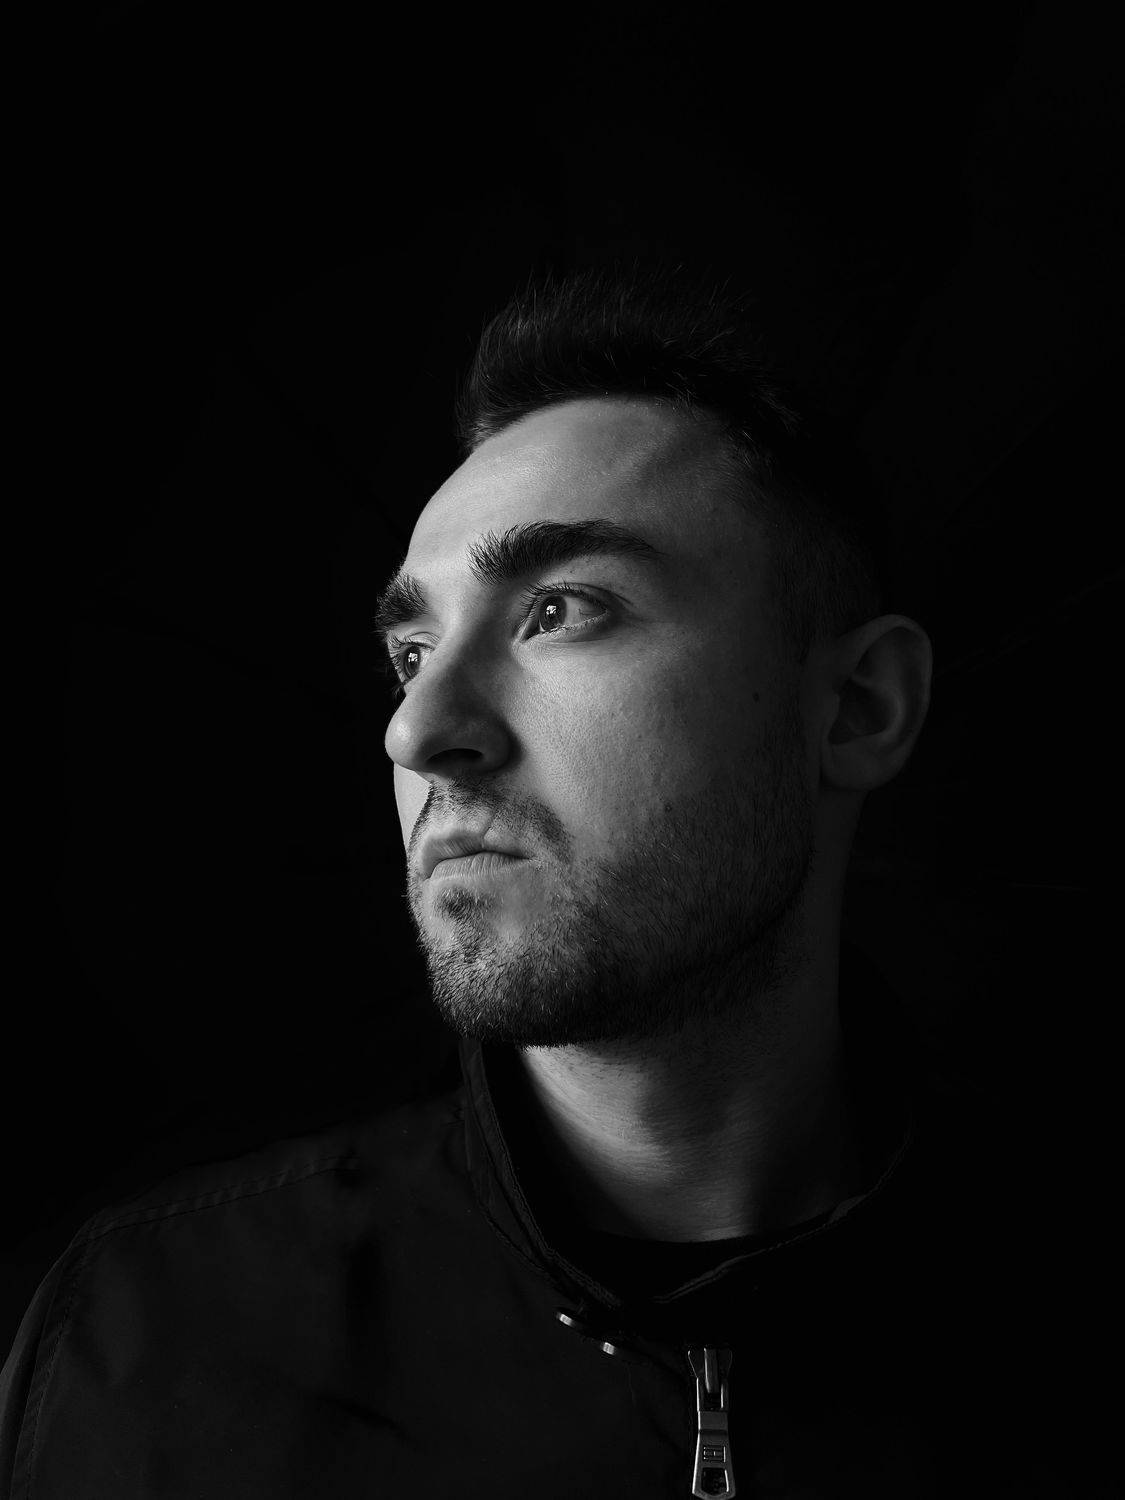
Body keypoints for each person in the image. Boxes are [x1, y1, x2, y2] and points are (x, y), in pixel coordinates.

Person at [0, 267, 1088, 1498]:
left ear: (858, 709)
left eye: (560, 609)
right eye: (411, 650)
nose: (417, 731)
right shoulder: (150, 1342)